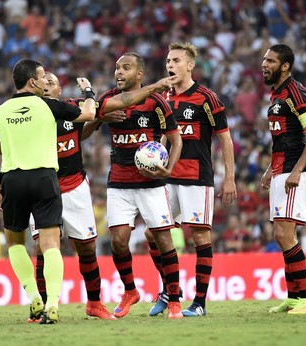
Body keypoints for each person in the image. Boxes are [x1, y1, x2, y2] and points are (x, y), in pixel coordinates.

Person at [28, 71, 177, 321]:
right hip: (43, 188)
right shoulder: (30, 115)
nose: (46, 86)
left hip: (75, 186)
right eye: (44, 82)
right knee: (43, 248)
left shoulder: (72, 109)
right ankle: (41, 307)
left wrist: (98, 116)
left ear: (59, 90)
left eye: (51, 83)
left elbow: (87, 127)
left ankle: (95, 304)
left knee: (87, 247)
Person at [0, 58, 97, 324]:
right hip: (45, 179)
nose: (45, 82)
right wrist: (90, 94)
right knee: (49, 244)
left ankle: (34, 296)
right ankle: (52, 304)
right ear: (32, 81)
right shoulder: (47, 105)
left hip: (12, 179)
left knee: (15, 243)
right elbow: (90, 114)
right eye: (42, 77)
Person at [145, 42, 237, 317]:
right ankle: (170, 289)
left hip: (197, 177)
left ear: (190, 65)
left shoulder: (207, 98)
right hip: (167, 177)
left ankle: (199, 303)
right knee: (152, 233)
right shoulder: (164, 98)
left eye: (175, 60)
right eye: (168, 61)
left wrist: (229, 177)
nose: (170, 65)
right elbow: (164, 136)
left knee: (199, 237)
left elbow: (225, 138)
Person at [92, 52, 184, 319]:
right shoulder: (108, 100)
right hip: (119, 183)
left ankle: (175, 299)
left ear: (139, 74)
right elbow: (87, 128)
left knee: (164, 239)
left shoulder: (156, 102)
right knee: (119, 242)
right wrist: (102, 118)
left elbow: (175, 140)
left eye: (126, 68)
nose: (119, 72)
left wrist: (169, 168)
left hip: (151, 185)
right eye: (117, 68)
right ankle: (130, 290)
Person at [260, 44, 306, 315]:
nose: (264, 64)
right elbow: (285, 137)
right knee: (283, 234)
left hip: (295, 172)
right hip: (281, 169)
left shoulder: (295, 92)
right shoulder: (277, 94)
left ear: (285, 66)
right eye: (264, 59)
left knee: (284, 234)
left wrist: (296, 170)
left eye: (271, 61)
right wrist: (269, 168)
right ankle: (294, 297)